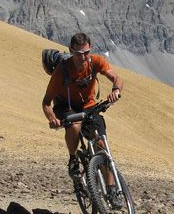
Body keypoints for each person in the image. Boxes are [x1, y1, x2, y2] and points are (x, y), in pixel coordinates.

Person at [42, 33, 123, 195]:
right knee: (75, 126)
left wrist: (116, 89)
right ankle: (73, 160)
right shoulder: (61, 71)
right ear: (71, 51)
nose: (83, 57)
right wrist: (52, 118)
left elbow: (116, 78)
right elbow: (46, 102)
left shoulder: (96, 62)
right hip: (66, 106)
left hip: (89, 106)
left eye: (86, 53)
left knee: (101, 146)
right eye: (79, 54)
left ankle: (112, 190)